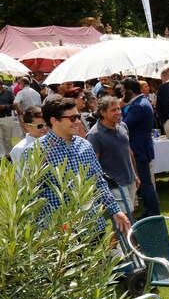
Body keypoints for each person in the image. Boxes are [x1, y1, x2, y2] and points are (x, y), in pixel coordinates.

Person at [26, 96, 130, 235]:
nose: (78, 122)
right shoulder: (37, 150)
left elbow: (99, 182)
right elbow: (32, 195)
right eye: (72, 118)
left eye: (78, 116)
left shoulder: (84, 145)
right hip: (61, 235)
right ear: (54, 121)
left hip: (92, 225)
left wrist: (115, 211)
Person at [87, 96, 140, 216]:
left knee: (127, 218)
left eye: (118, 109)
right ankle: (129, 235)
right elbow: (93, 164)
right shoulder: (94, 135)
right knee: (125, 217)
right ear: (102, 112)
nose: (118, 112)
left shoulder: (123, 126)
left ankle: (122, 235)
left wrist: (135, 175)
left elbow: (129, 152)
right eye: (113, 110)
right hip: (113, 185)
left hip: (130, 179)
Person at [123, 78, 161, 218]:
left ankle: (153, 213)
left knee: (145, 183)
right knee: (145, 183)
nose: (122, 94)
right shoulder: (142, 102)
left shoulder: (138, 105)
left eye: (123, 90)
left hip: (139, 149)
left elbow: (124, 125)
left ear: (130, 91)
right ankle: (150, 210)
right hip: (142, 147)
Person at [0, 82, 16, 159]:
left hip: (7, 117)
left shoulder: (8, 93)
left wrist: (5, 107)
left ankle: (9, 155)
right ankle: (1, 156)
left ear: (1, 84)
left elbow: (14, 105)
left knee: (8, 138)